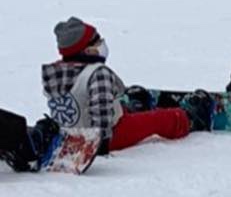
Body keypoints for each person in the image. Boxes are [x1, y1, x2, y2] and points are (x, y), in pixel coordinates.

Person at [41, 18, 191, 152]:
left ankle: (133, 106)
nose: (102, 44)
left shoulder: (53, 73)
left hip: (70, 135)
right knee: (162, 120)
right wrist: (101, 142)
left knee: (124, 110)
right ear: (89, 50)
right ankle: (188, 118)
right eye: (98, 41)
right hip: (111, 134)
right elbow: (101, 113)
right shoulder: (97, 73)